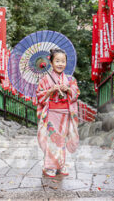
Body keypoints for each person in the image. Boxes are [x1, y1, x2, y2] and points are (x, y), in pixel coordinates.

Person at [36, 48, 80, 177]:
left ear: (66, 63)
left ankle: (60, 165)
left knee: (61, 139)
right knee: (51, 139)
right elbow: (39, 95)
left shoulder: (70, 79)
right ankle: (49, 166)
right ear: (51, 62)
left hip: (65, 113)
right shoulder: (45, 79)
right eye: (57, 61)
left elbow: (76, 93)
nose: (60, 64)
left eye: (63, 61)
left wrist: (68, 89)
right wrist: (50, 91)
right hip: (51, 113)